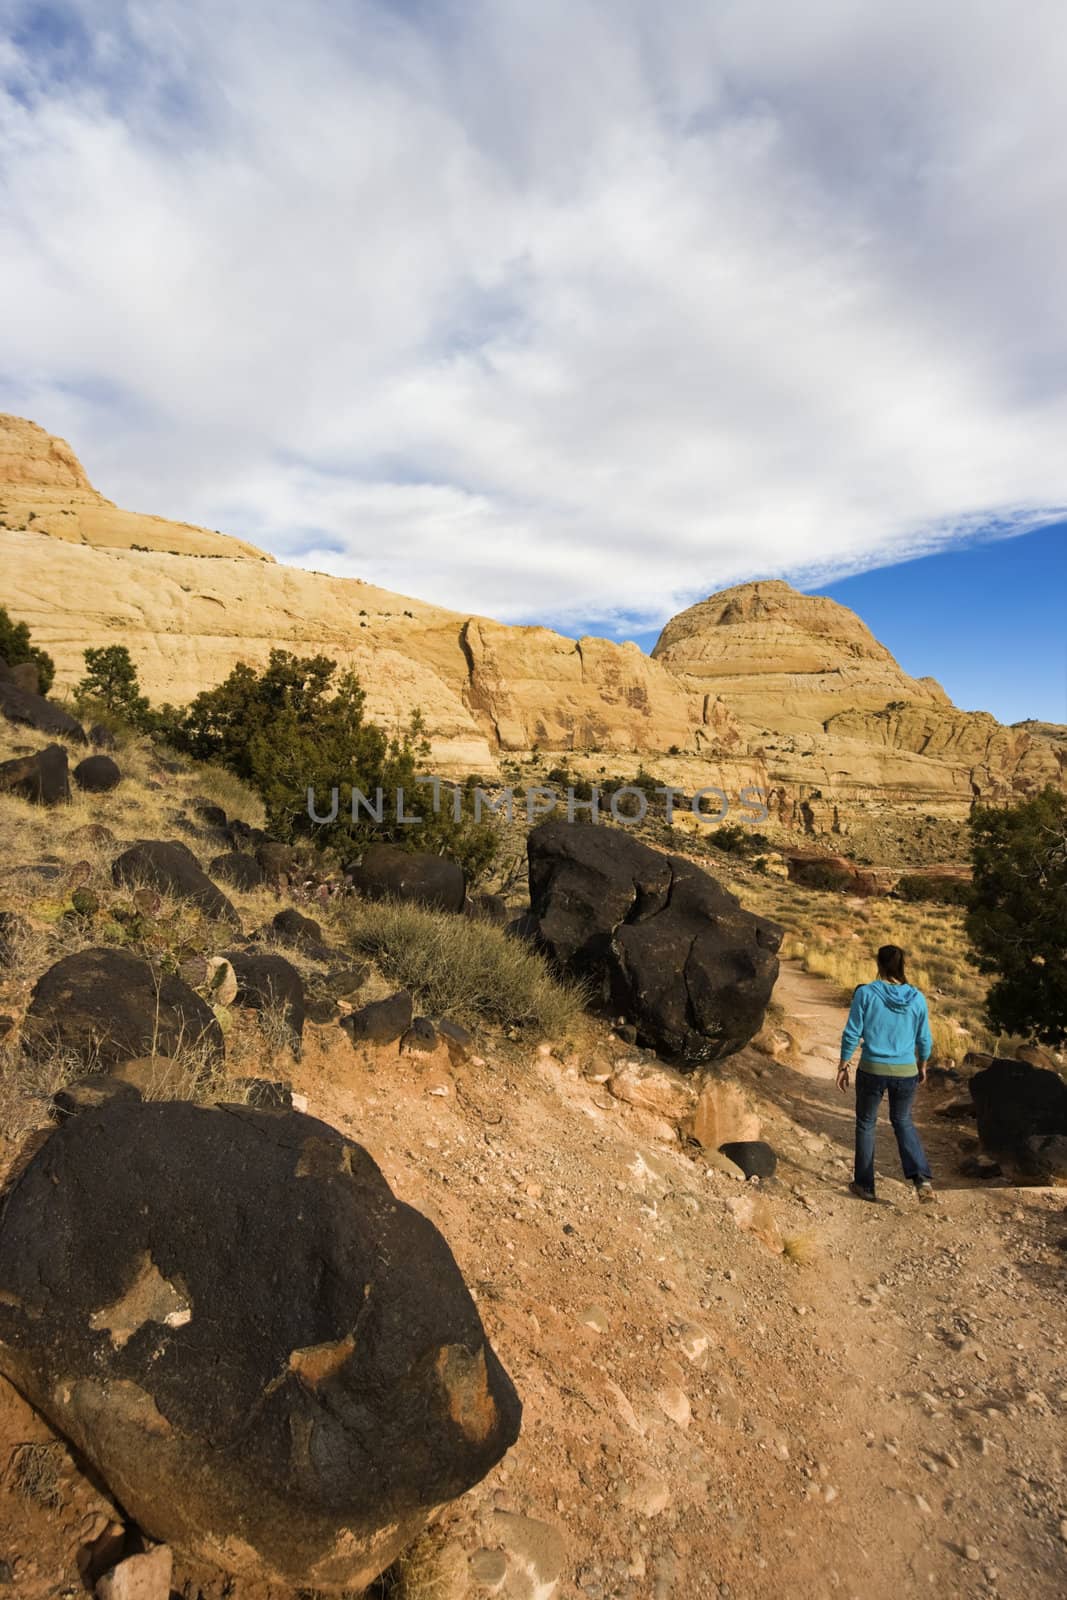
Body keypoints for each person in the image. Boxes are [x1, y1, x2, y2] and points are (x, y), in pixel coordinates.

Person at [836, 944, 935, 1203]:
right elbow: (924, 1038)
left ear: (878, 965)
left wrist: (843, 1064)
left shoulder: (866, 993)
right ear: (903, 965)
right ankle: (921, 1180)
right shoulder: (917, 998)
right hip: (906, 1072)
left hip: (872, 1068)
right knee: (902, 1121)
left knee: (866, 1124)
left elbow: (852, 1032)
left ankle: (865, 1185)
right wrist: (922, 1064)